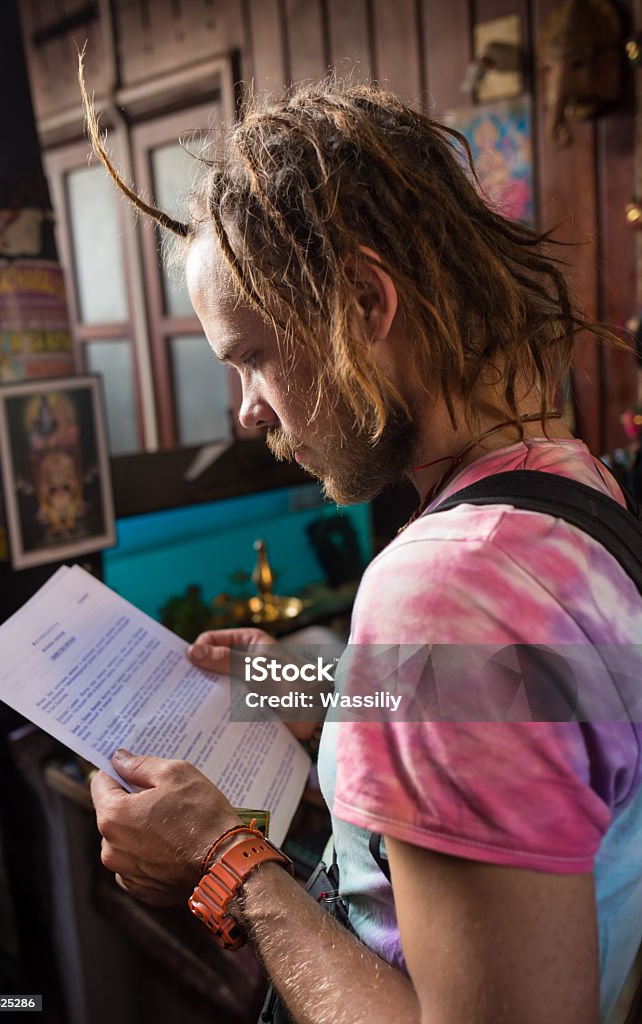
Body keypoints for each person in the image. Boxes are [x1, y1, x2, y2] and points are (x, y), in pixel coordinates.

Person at [84, 72, 642, 1024]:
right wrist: (302, 695)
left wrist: (228, 863)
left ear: (365, 301)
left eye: (254, 355)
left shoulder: (444, 585)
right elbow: (516, 712)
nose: (249, 408)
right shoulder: (567, 485)